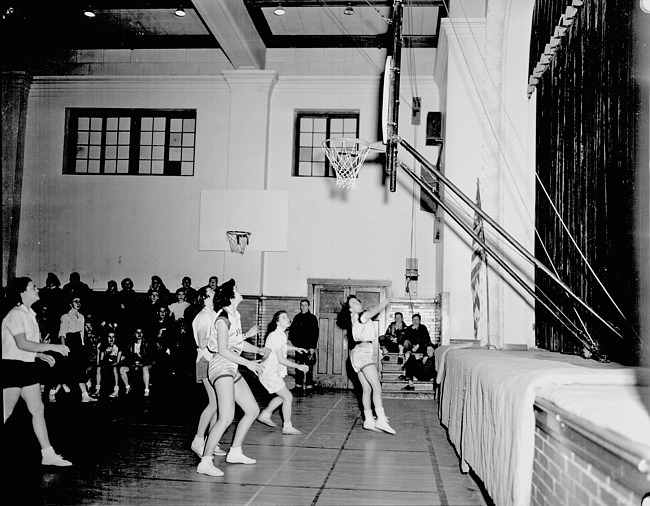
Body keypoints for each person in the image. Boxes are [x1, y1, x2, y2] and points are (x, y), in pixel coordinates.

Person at [197, 279, 269, 478]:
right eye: (236, 289)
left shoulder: (234, 315)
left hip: (230, 367)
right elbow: (222, 350)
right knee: (226, 416)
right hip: (220, 366)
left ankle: (235, 452)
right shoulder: (223, 319)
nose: (239, 290)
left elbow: (238, 344)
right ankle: (205, 461)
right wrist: (248, 364)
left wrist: (258, 350)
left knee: (253, 410)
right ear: (230, 296)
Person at [2, 277, 72, 466]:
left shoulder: (29, 313)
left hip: (26, 366)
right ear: (22, 292)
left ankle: (48, 454)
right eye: (33, 287)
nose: (37, 289)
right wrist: (52, 348)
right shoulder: (16, 314)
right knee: (6, 412)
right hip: (12, 367)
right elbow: (21, 343)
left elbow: (25, 346)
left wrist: (40, 355)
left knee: (38, 409)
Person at [340, 295, 395, 435]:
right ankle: (381, 419)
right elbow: (375, 310)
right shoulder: (361, 316)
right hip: (362, 353)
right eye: (353, 302)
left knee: (367, 389)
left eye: (358, 301)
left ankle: (369, 420)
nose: (357, 302)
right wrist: (387, 301)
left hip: (357, 354)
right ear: (350, 308)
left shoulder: (356, 319)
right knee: (376, 386)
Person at [257, 310, 309, 434]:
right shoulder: (275, 335)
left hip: (272, 372)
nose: (287, 318)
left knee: (282, 397)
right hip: (268, 373)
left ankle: (265, 414)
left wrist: (296, 348)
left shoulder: (280, 334)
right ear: (277, 322)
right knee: (288, 397)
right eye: (283, 317)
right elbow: (281, 359)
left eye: (287, 316)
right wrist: (299, 366)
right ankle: (287, 426)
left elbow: (283, 346)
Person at [190, 287, 226, 459]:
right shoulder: (203, 316)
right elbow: (203, 342)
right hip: (205, 360)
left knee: (218, 404)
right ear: (204, 298)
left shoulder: (213, 314)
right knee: (213, 404)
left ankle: (213, 440)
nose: (215, 295)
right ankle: (198, 439)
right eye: (212, 293)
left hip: (213, 361)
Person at [59, 296, 97, 402]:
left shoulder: (81, 317)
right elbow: (62, 334)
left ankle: (85, 396)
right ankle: (53, 392)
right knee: (67, 370)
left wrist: (82, 345)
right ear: (70, 304)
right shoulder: (65, 317)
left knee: (80, 370)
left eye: (80, 301)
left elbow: (82, 333)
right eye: (76, 301)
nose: (78, 303)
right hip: (70, 342)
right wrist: (63, 348)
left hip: (78, 344)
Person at [288, 299, 319, 391]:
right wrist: (296, 345)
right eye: (302, 305)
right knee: (299, 366)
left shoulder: (312, 318)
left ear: (308, 306)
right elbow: (292, 332)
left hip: (309, 347)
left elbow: (315, 333)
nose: (303, 307)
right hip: (299, 348)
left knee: (309, 366)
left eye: (305, 305)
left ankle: (309, 385)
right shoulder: (297, 317)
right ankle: (298, 385)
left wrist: (313, 347)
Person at [119, 327, 153, 397]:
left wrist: (142, 361)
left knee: (145, 368)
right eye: (137, 333)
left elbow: (150, 357)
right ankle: (128, 387)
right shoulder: (130, 345)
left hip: (145, 364)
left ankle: (147, 390)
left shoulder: (147, 344)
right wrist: (132, 363)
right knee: (122, 369)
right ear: (134, 334)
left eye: (141, 332)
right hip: (134, 364)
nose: (139, 334)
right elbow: (129, 357)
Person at [98, 330, 122, 397]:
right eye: (109, 337)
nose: (111, 339)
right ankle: (97, 389)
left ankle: (116, 389)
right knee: (99, 368)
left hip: (115, 365)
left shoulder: (118, 347)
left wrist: (112, 364)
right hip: (106, 364)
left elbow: (118, 361)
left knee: (115, 368)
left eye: (113, 337)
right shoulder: (104, 347)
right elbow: (101, 359)